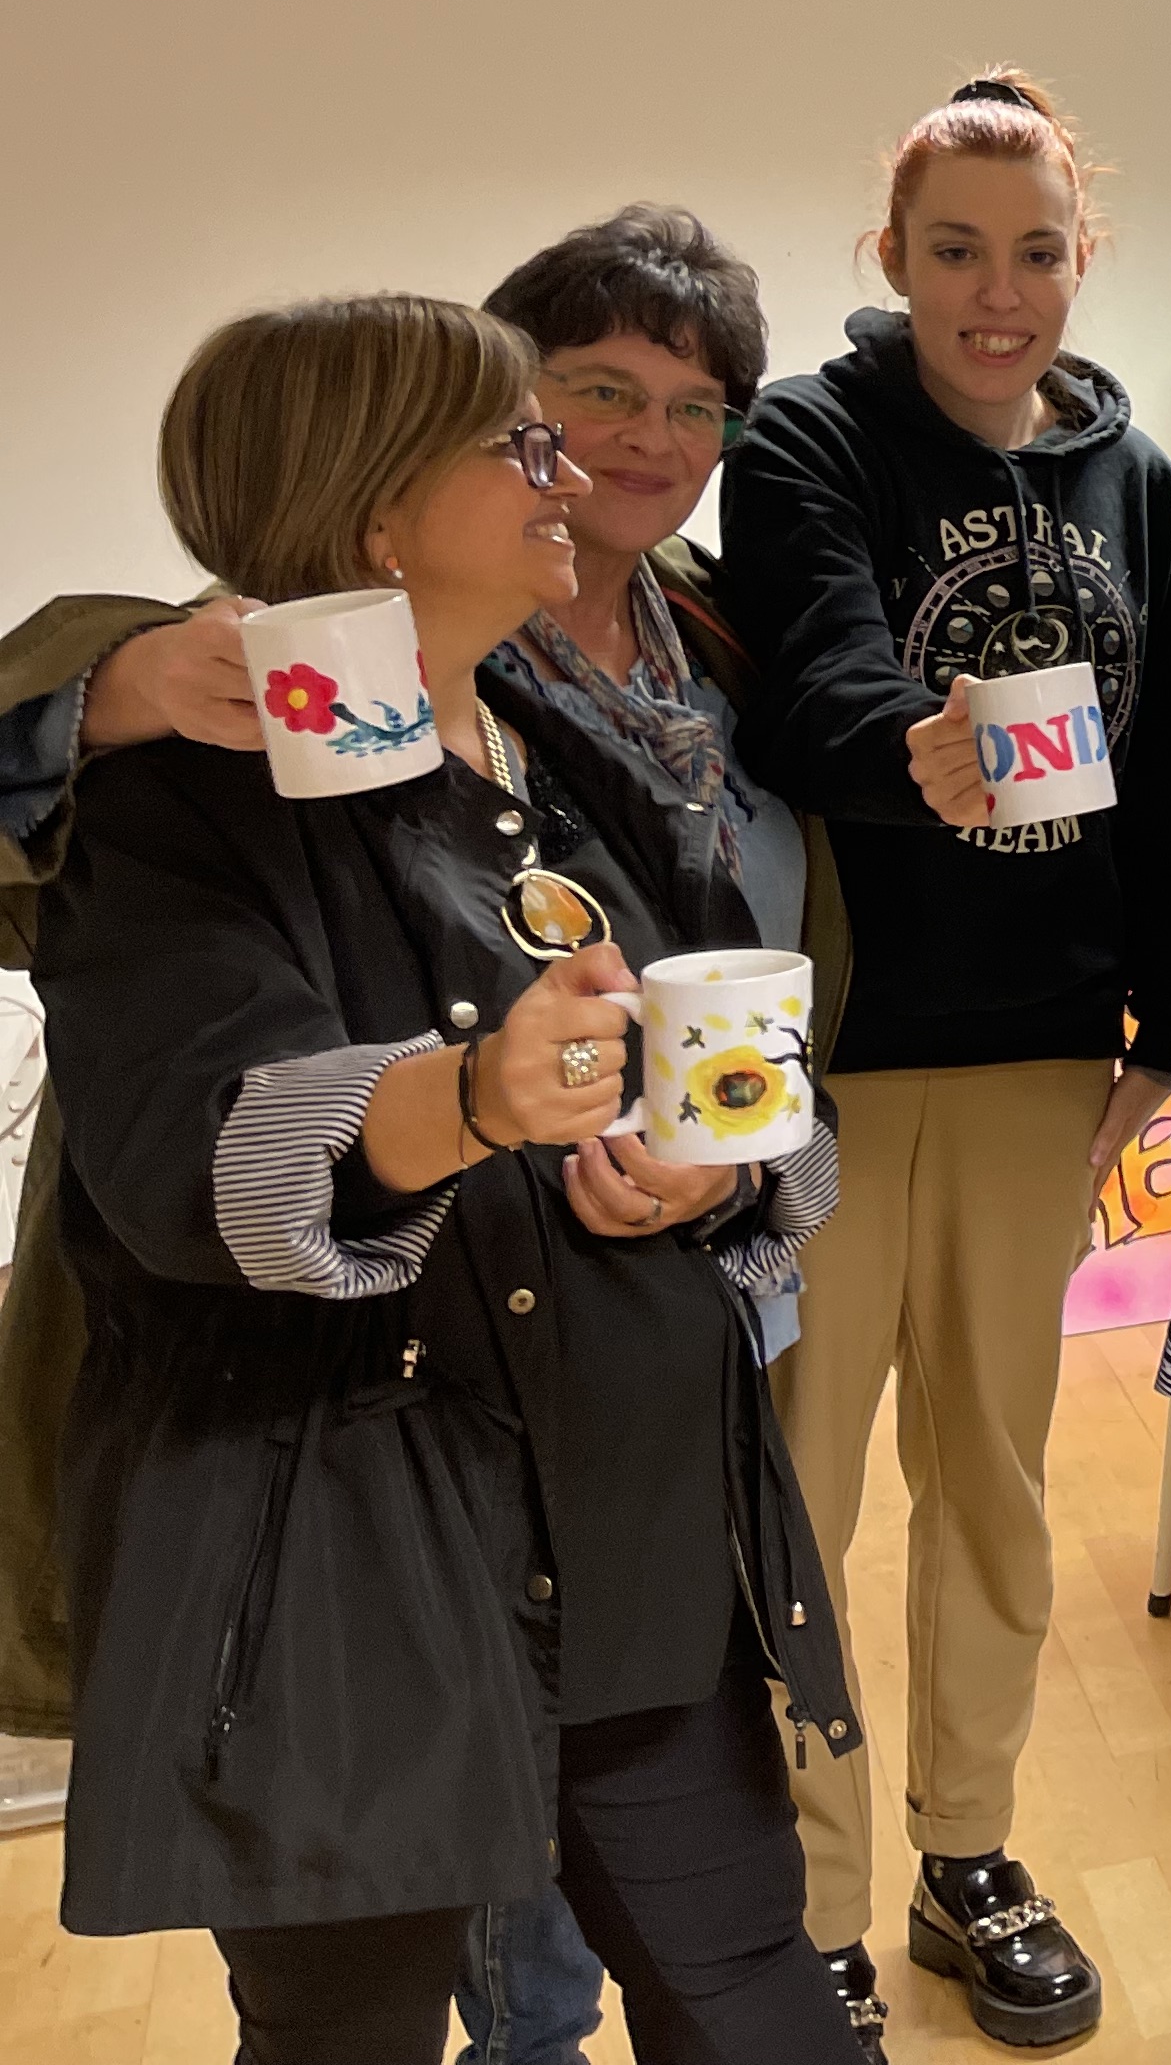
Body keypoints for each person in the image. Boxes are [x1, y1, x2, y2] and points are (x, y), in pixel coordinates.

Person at [0, 205, 821, 2065]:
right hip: (331, 1564)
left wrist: (726, 1165)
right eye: (522, 442)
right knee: (349, 2040)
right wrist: (466, 1100)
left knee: (752, 1997)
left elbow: (757, 1077)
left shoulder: (574, 751)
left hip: (636, 1532)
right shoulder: (174, 798)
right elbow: (190, 1157)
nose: (573, 473)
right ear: (377, 510)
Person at [720, 73, 1171, 2051]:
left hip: (1042, 1059)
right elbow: (818, 670)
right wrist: (910, 749)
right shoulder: (809, 433)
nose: (996, 293)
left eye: (1034, 252)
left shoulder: (1139, 484)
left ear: (1081, 259)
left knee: (998, 1491)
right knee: (803, 1494)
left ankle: (969, 1855)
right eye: (956, 251)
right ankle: (810, 1907)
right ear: (894, 258)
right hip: (834, 1062)